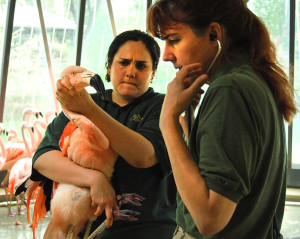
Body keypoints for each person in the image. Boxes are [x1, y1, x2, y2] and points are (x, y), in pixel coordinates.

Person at [146, 0, 297, 238]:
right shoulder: (251, 80)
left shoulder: (230, 89)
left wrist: (167, 121)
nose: (166, 55)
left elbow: (209, 217)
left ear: (214, 34)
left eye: (174, 40)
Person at [31, 29, 177, 239]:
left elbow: (144, 155)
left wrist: (89, 110)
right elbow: (43, 158)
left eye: (141, 65)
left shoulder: (162, 106)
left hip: (145, 231)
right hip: (84, 229)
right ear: (109, 67)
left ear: (153, 72)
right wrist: (94, 179)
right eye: (123, 62)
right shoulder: (83, 102)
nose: (131, 71)